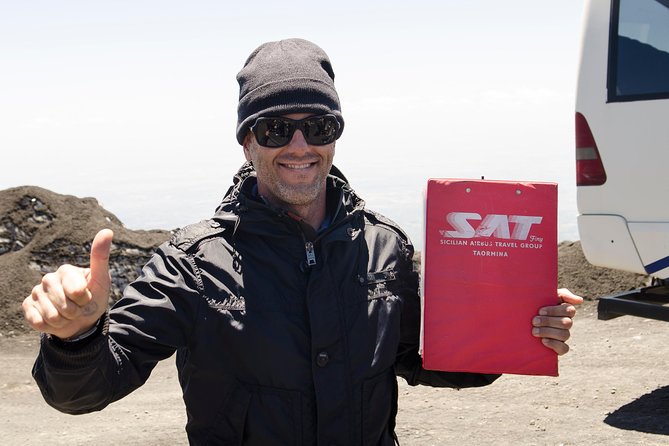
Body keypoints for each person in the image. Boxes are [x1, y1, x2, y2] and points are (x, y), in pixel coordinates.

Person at [23, 38, 583, 446]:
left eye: (318, 126)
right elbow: (85, 390)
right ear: (247, 142)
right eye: (274, 129)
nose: (299, 145)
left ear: (335, 136)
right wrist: (77, 338)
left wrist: (515, 327)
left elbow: (432, 358)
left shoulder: (384, 246)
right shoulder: (193, 262)